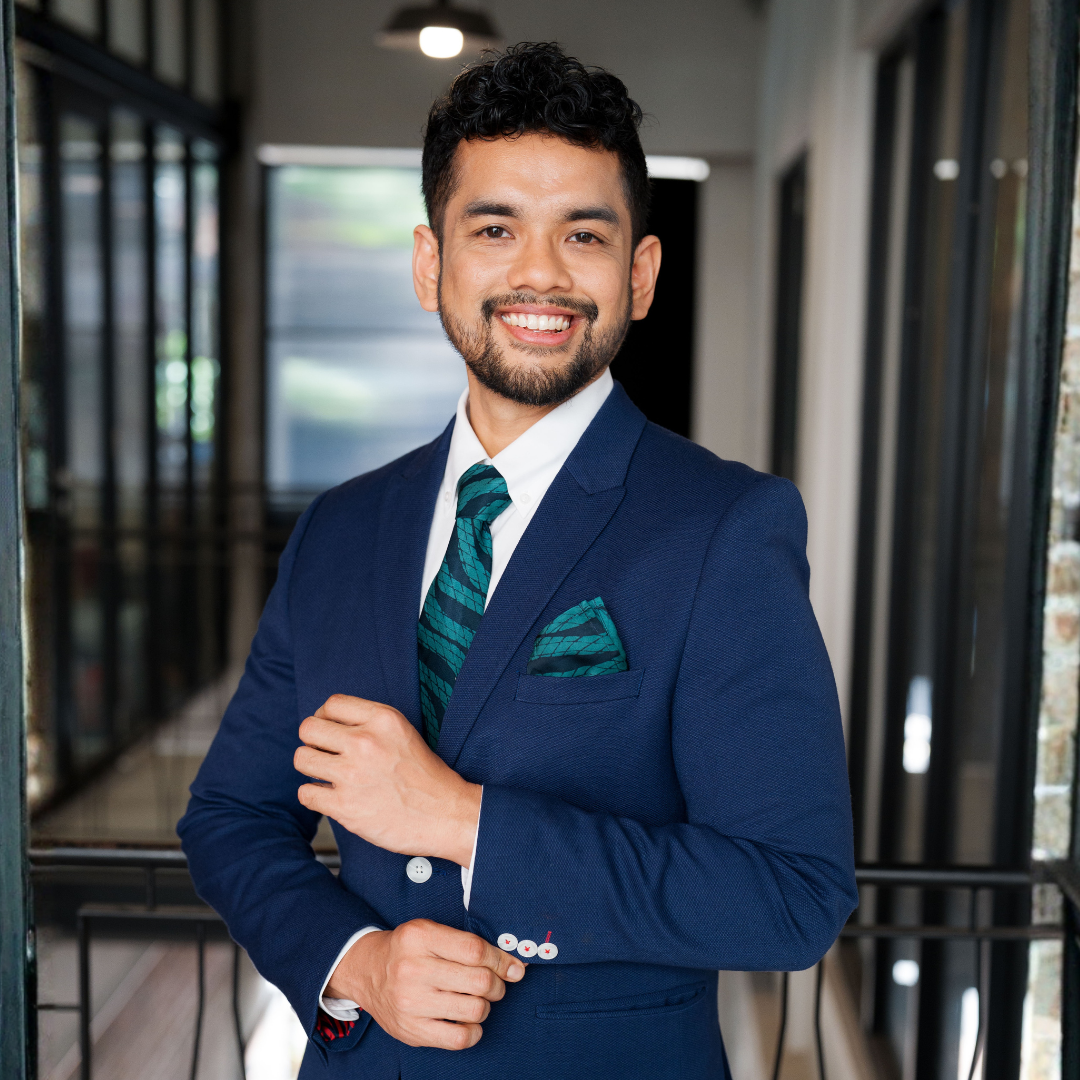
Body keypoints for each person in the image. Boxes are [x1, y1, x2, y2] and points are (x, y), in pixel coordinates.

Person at [178, 41, 857, 1080]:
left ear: (639, 275)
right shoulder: (341, 531)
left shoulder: (728, 528)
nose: (538, 273)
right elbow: (230, 817)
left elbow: (791, 897)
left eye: (583, 235)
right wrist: (355, 964)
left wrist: (463, 821)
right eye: (494, 229)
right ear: (429, 263)